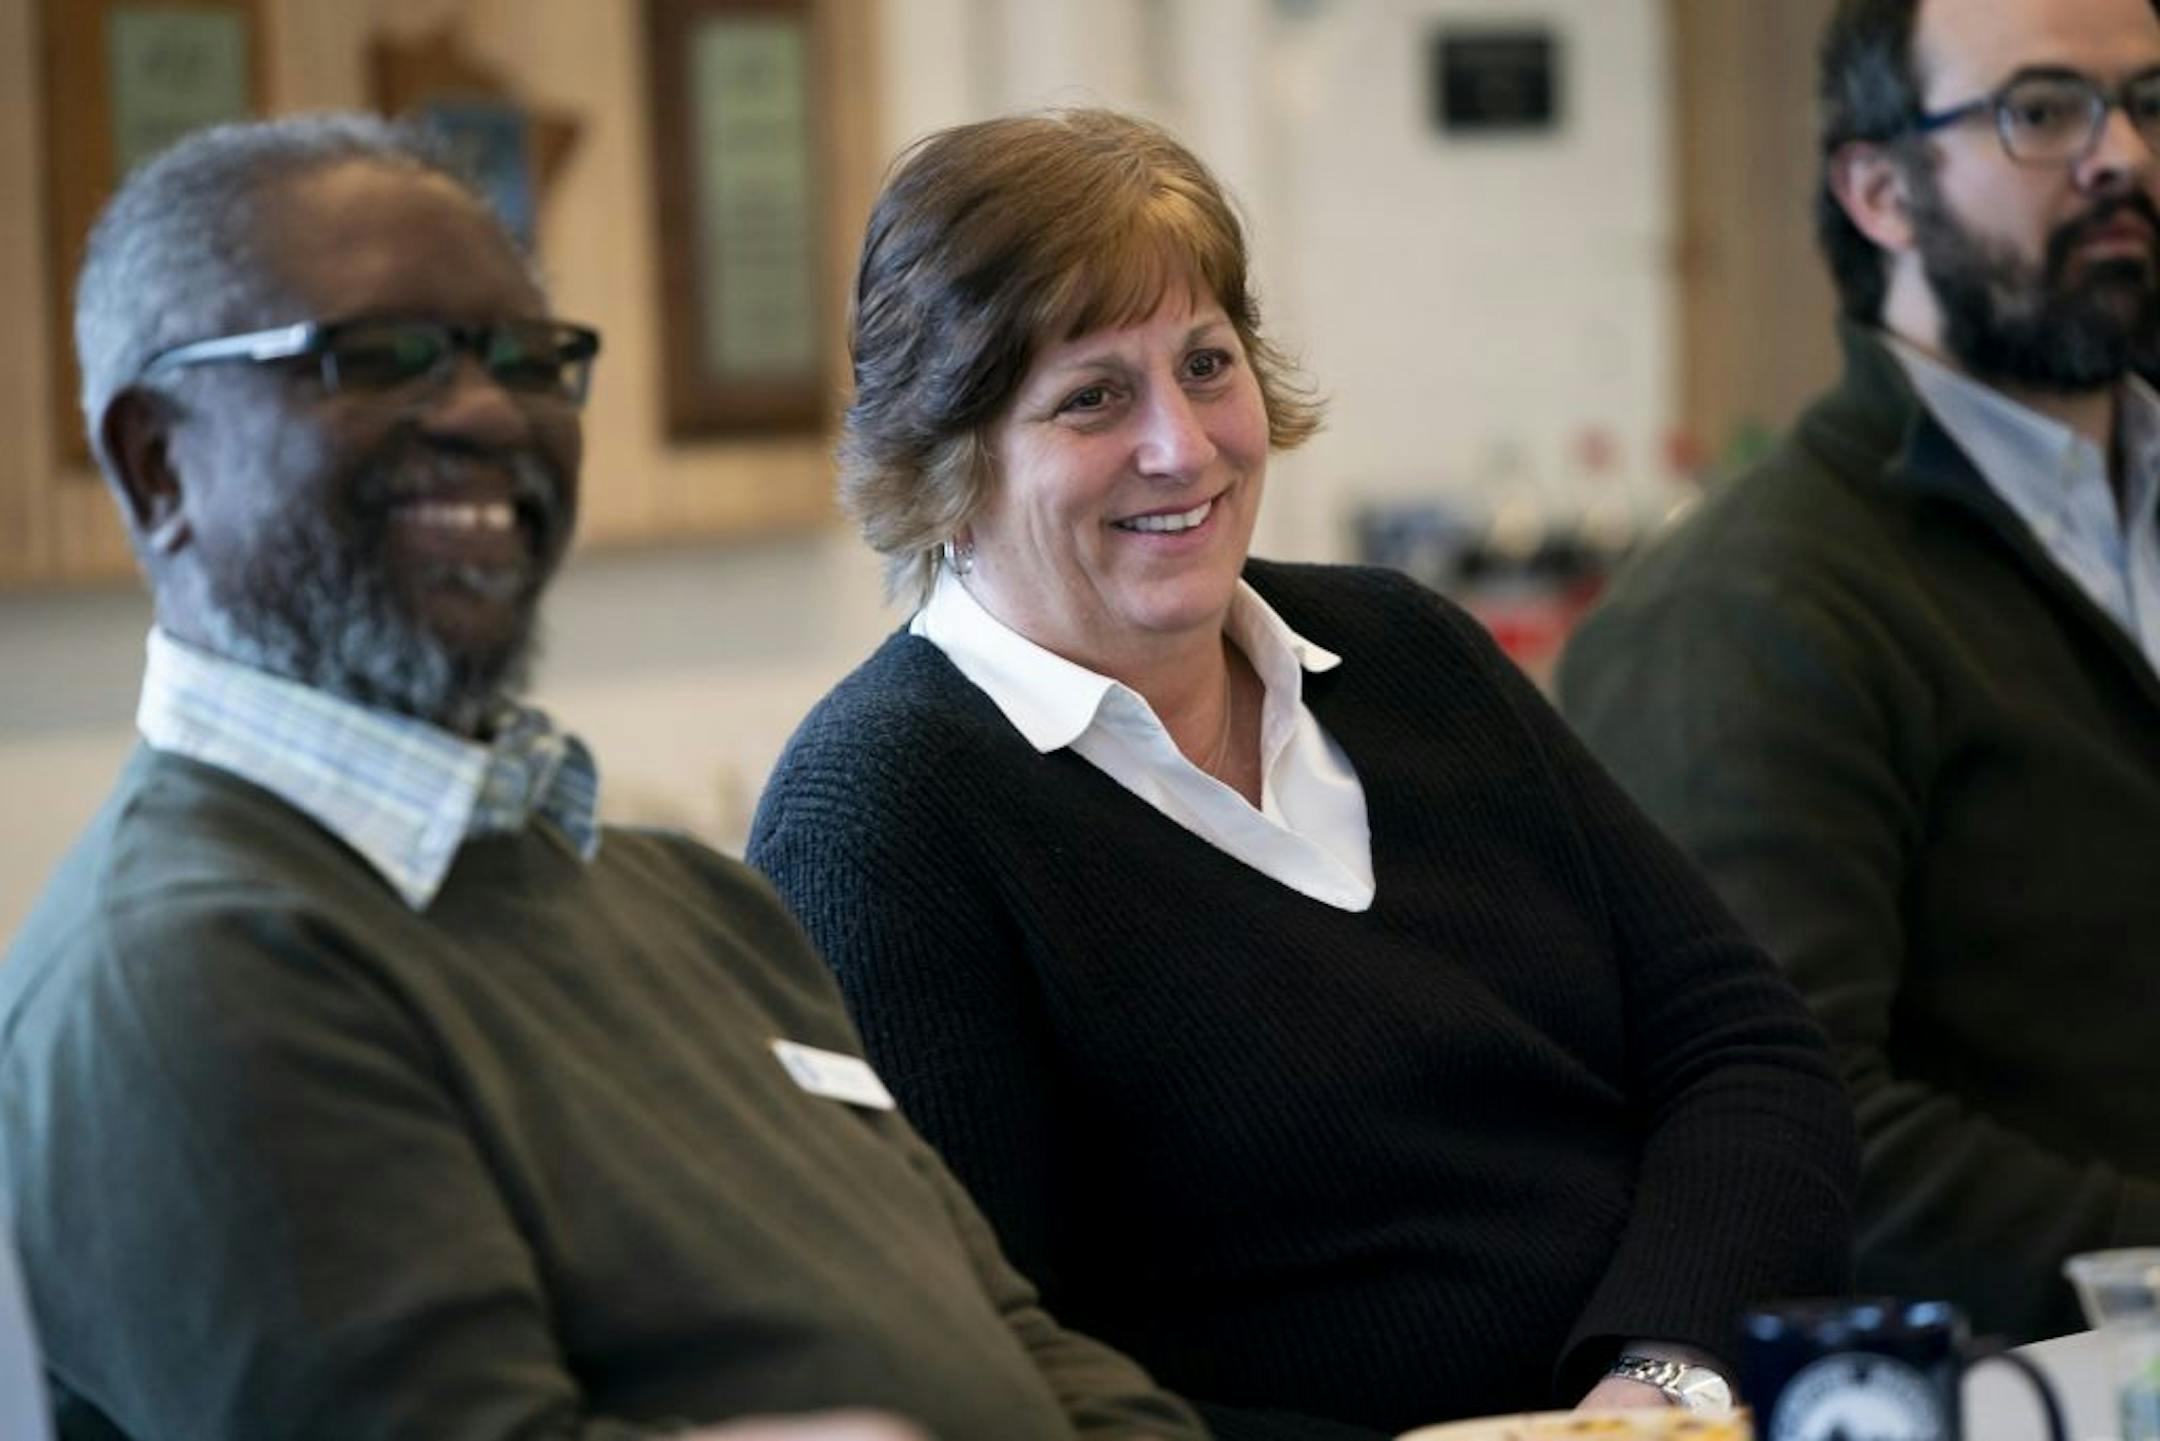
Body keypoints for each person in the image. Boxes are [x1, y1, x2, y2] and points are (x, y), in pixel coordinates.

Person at [0, 113, 1207, 1441]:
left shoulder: (695, 901)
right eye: (382, 356)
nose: (479, 409)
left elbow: (1018, 1343)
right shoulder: (187, 969)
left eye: (524, 357)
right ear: (157, 461)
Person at [745, 108, 1857, 1439]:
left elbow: (1747, 1050)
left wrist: (1655, 1384)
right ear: (947, 455)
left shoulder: (1407, 651)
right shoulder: (882, 821)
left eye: (1207, 365)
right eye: (1095, 396)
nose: (1185, 444)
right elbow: (990, 1375)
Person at [1558, 0, 2160, 1345]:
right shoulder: (1753, 607)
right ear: (1880, 189)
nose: (2119, 154)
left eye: (2150, 103)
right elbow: (1784, 1122)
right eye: (2044, 110)